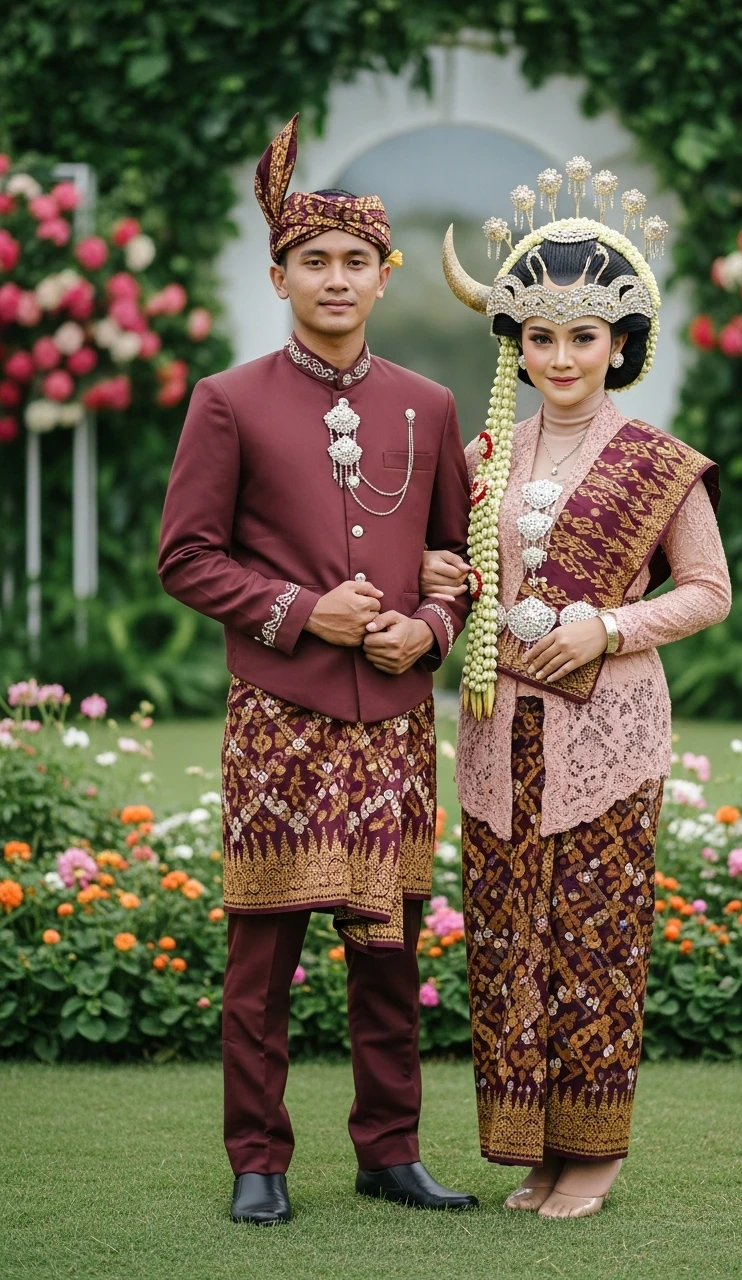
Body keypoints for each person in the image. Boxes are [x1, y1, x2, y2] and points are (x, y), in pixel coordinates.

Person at [158, 115, 476, 1224]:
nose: (334, 279)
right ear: (279, 274)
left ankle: (390, 1151)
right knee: (262, 961)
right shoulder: (227, 400)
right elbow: (185, 557)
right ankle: (258, 1158)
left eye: (354, 263)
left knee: (387, 957)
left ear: (383, 277)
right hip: (278, 719)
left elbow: (459, 563)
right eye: (313, 262)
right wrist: (304, 611)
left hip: (391, 720)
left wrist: (426, 630)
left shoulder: (428, 405)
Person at [424, 163, 731, 1218]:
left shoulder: (657, 463)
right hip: (495, 729)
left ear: (620, 344)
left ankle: (593, 1152)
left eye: (583, 336)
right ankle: (535, 1145)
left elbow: (705, 591)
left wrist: (604, 624)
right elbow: (461, 575)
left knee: (595, 936)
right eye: (541, 336)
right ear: (518, 341)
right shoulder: (481, 456)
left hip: (606, 733)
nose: (560, 357)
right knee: (510, 937)